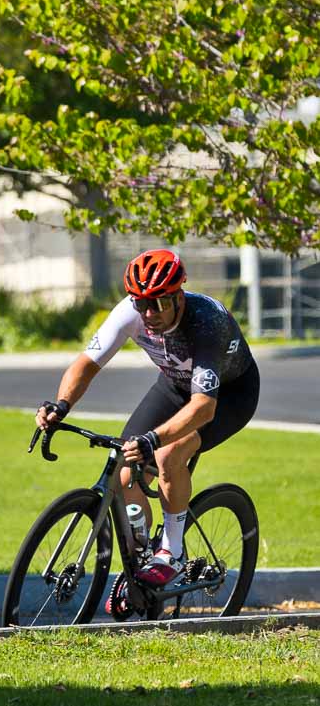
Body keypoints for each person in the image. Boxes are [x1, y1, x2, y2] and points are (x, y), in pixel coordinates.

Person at [36, 248, 259, 601]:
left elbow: (203, 407)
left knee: (169, 454)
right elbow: (86, 363)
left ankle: (172, 550)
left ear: (179, 297)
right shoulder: (131, 311)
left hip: (229, 395)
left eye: (159, 304)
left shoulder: (205, 323)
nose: (150, 313)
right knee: (124, 468)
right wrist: (60, 405)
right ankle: (142, 558)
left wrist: (154, 439)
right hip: (174, 386)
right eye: (142, 304)